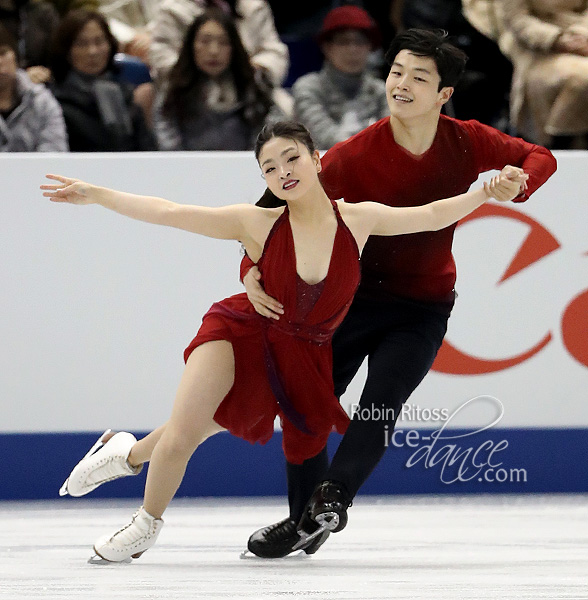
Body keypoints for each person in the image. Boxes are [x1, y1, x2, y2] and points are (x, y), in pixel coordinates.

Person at [41, 120, 524, 563]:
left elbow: (434, 213)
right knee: (185, 435)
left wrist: (486, 191)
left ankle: (124, 454)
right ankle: (146, 524)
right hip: (237, 331)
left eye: (292, 158)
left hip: (300, 356)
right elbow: (170, 212)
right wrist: (96, 193)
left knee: (207, 426)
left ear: (318, 159)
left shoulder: (356, 219)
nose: (283, 171)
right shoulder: (256, 223)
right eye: (269, 167)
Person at [241, 29, 557, 559]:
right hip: (351, 302)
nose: (402, 84)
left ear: (444, 94)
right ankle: (303, 522)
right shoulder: (351, 156)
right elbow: (270, 211)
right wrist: (250, 266)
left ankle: (331, 500)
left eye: (419, 77)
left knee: (380, 404)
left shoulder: (468, 139)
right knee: (306, 407)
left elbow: (540, 155)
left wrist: (516, 182)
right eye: (395, 72)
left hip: (423, 306)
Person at [153, 9, 275, 151]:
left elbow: (267, 133)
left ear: (234, 47)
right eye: (205, 41)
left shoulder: (254, 84)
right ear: (191, 45)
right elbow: (167, 137)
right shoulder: (173, 86)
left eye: (223, 42)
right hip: (187, 167)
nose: (214, 51)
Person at [49, 9, 156, 152]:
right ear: (66, 50)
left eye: (99, 42)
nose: (92, 51)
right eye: (82, 44)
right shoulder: (55, 101)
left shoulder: (125, 95)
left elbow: (147, 149)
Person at [292, 5, 389, 150]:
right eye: (344, 42)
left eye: (360, 41)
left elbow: (392, 136)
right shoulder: (308, 87)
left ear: (370, 47)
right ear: (327, 47)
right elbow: (322, 135)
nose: (352, 49)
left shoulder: (381, 90)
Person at [500, 0, 588, 148]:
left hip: (582, 38)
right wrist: (558, 39)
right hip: (537, 47)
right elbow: (517, 19)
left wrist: (581, 34)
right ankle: (560, 143)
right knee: (580, 78)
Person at [149, 0, 288, 89]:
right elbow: (162, 57)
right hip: (188, 94)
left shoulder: (254, 6)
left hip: (250, 88)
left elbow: (273, 51)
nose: (214, 51)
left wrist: (251, 72)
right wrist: (193, 75)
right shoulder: (172, 9)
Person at [0, 25, 68, 151]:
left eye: (3, 52)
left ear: (15, 55)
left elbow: (55, 152)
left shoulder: (42, 101)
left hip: (37, 170)